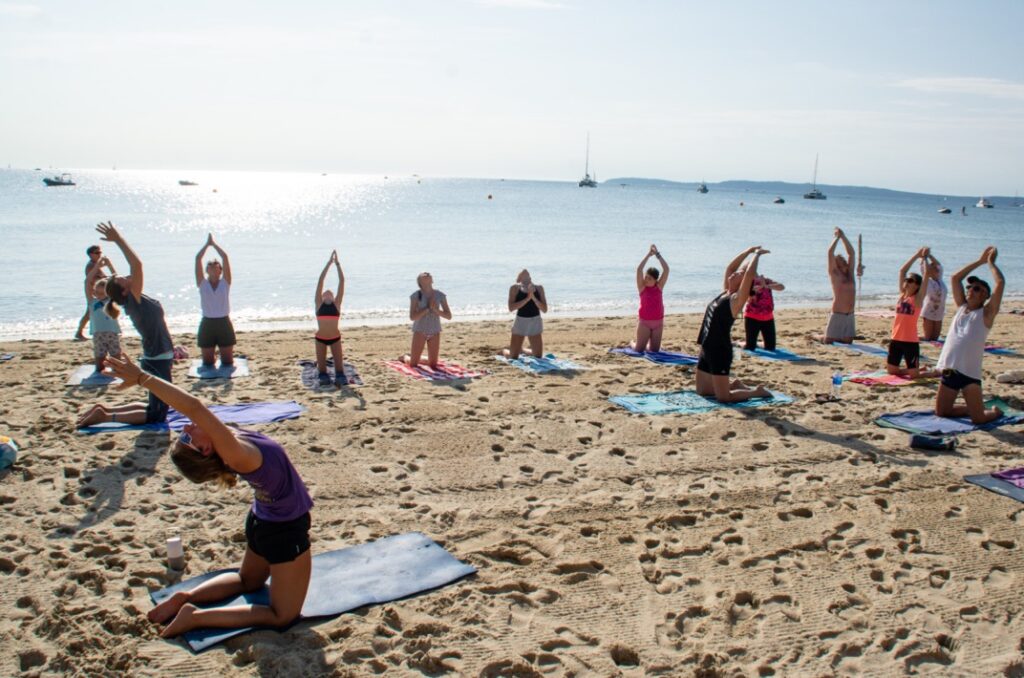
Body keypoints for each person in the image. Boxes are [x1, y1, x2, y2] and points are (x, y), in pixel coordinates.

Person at [100, 353, 312, 638]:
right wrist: (142, 378)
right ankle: (196, 618)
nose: (186, 428)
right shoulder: (235, 454)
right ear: (207, 450)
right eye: (187, 438)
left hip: (261, 520)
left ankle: (186, 598)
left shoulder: (230, 441)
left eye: (183, 433)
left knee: (247, 581)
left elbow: (195, 413)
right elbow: (194, 407)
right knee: (282, 616)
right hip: (284, 531)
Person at [75, 223, 175, 428]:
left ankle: (106, 411)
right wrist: (118, 239)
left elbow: (133, 271)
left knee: (155, 404)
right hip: (157, 357)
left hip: (155, 355)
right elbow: (137, 265)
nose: (128, 276)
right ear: (123, 290)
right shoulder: (134, 299)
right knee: (157, 414)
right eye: (123, 279)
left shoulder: (133, 298)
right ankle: (105, 417)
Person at [934, 246, 1005, 424]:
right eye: (970, 287)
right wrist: (979, 261)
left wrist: (990, 263)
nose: (971, 290)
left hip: (969, 373)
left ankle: (994, 412)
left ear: (985, 296)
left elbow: (1000, 284)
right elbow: (955, 278)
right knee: (942, 412)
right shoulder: (962, 308)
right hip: (950, 369)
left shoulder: (986, 314)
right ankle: (973, 407)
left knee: (979, 419)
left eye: (977, 289)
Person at [696, 247, 772, 402]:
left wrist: (756, 256)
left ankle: (757, 392)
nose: (734, 273)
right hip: (706, 346)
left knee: (723, 398)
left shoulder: (736, 300)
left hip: (720, 350)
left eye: (740, 274)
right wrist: (748, 251)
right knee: (703, 391)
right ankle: (735, 384)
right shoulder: (726, 292)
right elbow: (730, 267)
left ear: (744, 283)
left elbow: (749, 274)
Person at [886, 247, 934, 378]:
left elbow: (926, 275)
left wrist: (924, 258)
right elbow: (902, 271)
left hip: (910, 341)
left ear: (917, 285)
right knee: (892, 371)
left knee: (915, 376)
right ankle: (916, 369)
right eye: (907, 280)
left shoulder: (917, 299)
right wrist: (916, 255)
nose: (907, 282)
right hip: (895, 338)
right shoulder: (902, 295)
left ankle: (932, 372)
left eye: (911, 281)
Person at [194, 234, 235, 368]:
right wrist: (207, 245)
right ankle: (213, 356)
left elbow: (225, 257)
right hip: (207, 323)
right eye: (210, 265)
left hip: (223, 322)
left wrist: (214, 244)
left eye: (215, 265)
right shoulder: (202, 283)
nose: (212, 266)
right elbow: (198, 258)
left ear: (220, 270)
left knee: (228, 362)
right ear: (206, 270)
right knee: (207, 363)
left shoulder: (225, 283)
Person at [404, 272, 452, 369]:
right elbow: (412, 317)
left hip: (435, 330)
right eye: (423, 274)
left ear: (432, 280)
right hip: (420, 330)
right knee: (413, 365)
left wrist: (435, 310)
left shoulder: (440, 295)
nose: (427, 273)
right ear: (419, 282)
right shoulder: (415, 295)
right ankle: (405, 357)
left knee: (433, 365)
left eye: (428, 274)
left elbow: (448, 316)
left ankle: (416, 356)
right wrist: (427, 309)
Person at [819, 228, 857, 344]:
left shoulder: (850, 274)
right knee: (828, 341)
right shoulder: (835, 274)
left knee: (847, 342)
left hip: (849, 314)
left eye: (844, 260)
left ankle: (823, 335)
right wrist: (836, 238)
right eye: (840, 261)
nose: (844, 261)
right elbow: (830, 253)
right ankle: (817, 337)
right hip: (838, 313)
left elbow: (852, 253)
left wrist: (844, 236)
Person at [313, 251, 346, 386]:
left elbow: (342, 281)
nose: (327, 292)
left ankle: (338, 375)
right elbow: (321, 281)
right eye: (325, 292)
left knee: (340, 372)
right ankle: (321, 371)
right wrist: (328, 264)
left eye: (330, 293)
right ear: (322, 296)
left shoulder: (336, 305)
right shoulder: (318, 304)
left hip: (335, 339)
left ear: (333, 298)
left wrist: (337, 264)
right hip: (320, 339)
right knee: (323, 374)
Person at [85, 256, 121, 372]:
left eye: (102, 292)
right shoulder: (92, 301)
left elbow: (116, 279)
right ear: (94, 292)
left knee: (117, 360)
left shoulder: (111, 300)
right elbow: (87, 281)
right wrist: (97, 266)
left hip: (112, 333)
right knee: (99, 365)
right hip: (98, 334)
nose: (99, 295)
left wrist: (109, 265)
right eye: (97, 292)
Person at [631, 245, 669, 352]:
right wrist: (648, 255)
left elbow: (666, 269)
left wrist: (658, 255)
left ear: (655, 280)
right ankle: (632, 343)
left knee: (654, 351)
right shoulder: (642, 287)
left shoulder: (659, 287)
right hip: (645, 323)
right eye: (646, 277)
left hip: (658, 323)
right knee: (639, 350)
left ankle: (649, 344)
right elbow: (639, 269)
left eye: (649, 278)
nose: (646, 280)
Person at [503, 269, 548, 359]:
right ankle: (505, 351)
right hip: (521, 321)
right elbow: (511, 308)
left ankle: (522, 350)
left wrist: (533, 297)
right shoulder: (515, 288)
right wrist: (527, 298)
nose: (525, 272)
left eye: (527, 274)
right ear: (520, 279)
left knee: (538, 356)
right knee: (513, 357)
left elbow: (544, 309)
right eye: (522, 275)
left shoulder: (539, 288)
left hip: (535, 321)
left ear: (530, 277)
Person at [74, 244, 113, 341]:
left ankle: (80, 332)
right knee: (89, 313)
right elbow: (94, 280)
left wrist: (107, 265)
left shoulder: (95, 265)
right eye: (97, 253)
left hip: (99, 293)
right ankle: (79, 332)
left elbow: (102, 275)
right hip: (94, 293)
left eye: (100, 252)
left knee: (94, 312)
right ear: (91, 254)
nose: (100, 254)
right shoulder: (91, 266)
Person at [743, 273, 785, 351]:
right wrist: (753, 291)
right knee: (750, 347)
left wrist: (766, 286)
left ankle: (758, 344)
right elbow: (746, 297)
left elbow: (782, 287)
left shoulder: (766, 281)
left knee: (771, 348)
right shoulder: (746, 283)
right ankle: (741, 344)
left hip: (768, 318)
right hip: (752, 317)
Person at [920, 253, 947, 341]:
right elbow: (924, 269)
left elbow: (939, 265)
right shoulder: (927, 281)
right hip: (929, 311)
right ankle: (912, 338)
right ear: (929, 271)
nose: (937, 269)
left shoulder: (940, 279)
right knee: (928, 338)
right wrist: (924, 258)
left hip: (940, 312)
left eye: (937, 269)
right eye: (934, 268)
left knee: (935, 338)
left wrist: (929, 255)